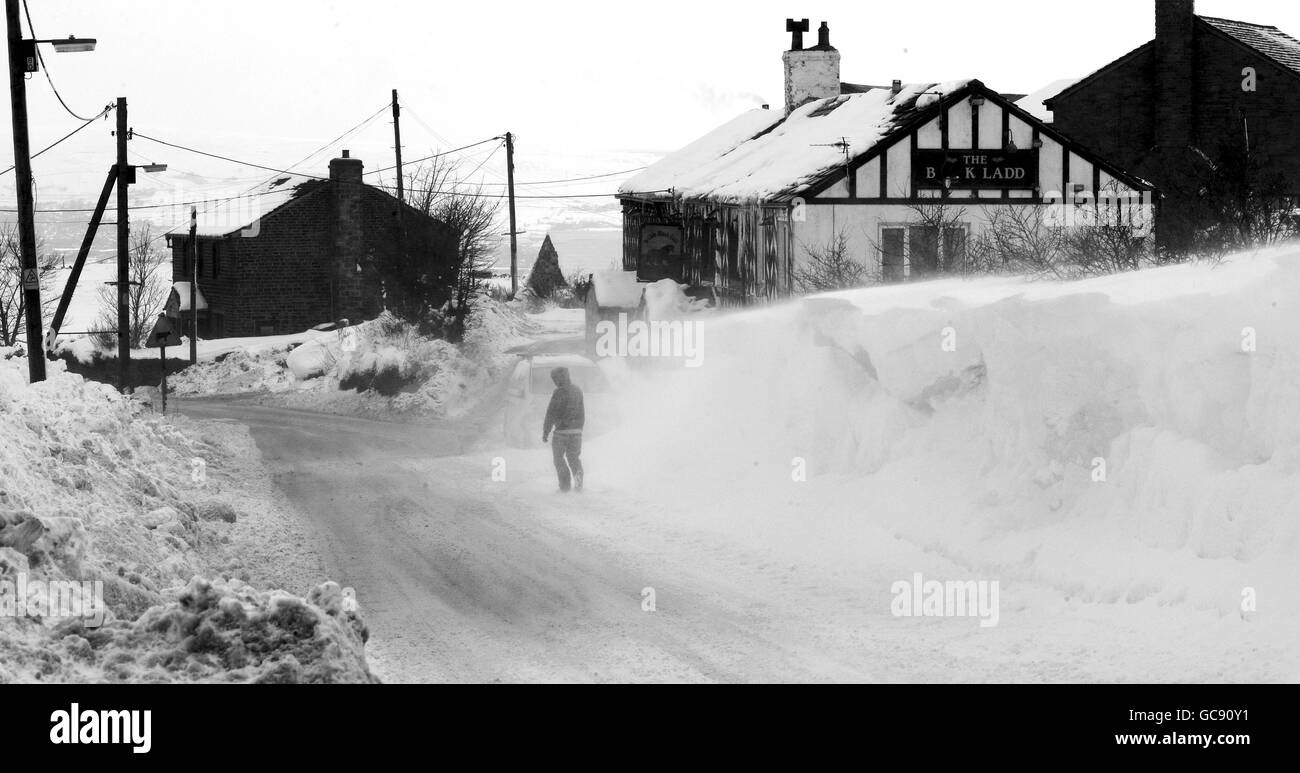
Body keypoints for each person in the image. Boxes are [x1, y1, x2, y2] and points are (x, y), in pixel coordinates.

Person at [542, 366, 584, 492]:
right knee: (574, 459)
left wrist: (546, 431)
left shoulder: (559, 392)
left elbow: (551, 413)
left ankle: (565, 487)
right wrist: (579, 428)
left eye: (554, 378)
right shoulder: (578, 390)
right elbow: (582, 412)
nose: (554, 381)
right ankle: (578, 485)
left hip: (561, 433)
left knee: (559, 459)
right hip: (577, 432)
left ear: (559, 378)